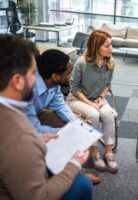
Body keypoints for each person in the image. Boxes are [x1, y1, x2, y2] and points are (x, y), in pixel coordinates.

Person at [0, 35, 93, 199]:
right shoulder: (21, 138)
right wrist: (73, 165)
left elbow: (59, 105)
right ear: (17, 81)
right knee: (82, 185)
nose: (37, 78)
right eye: (34, 72)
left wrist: (71, 124)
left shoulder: (11, 110)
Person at [25, 49, 100, 184]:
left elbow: (60, 105)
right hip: (16, 124)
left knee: (69, 125)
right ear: (55, 76)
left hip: (36, 114)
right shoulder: (29, 89)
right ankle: (58, 173)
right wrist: (63, 134)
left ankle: (72, 169)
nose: (71, 76)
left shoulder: (53, 83)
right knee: (61, 135)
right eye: (68, 72)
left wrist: (76, 123)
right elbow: (33, 127)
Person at [67, 30, 118, 174]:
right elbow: (74, 88)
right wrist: (91, 104)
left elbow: (108, 84)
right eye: (107, 46)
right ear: (97, 47)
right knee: (94, 115)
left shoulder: (111, 62)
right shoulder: (82, 63)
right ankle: (94, 151)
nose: (111, 48)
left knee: (107, 113)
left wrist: (101, 98)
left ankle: (108, 152)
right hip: (77, 99)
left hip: (97, 98)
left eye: (111, 44)